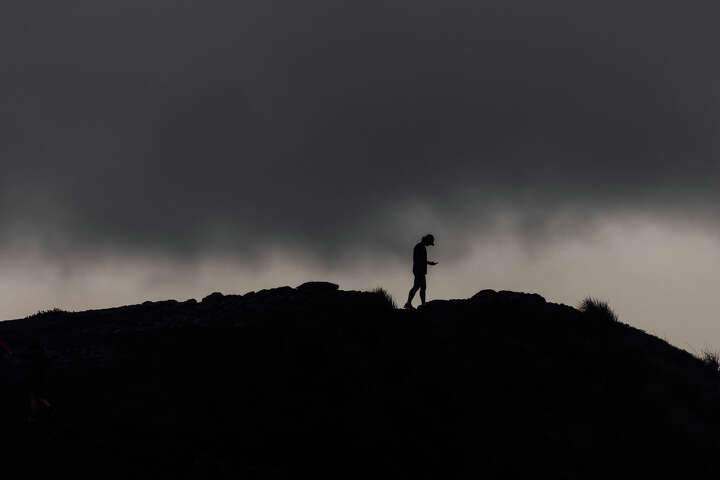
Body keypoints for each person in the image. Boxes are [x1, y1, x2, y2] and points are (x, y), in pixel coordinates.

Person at [404, 234, 438, 309]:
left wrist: (428, 263)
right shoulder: (420, 247)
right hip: (419, 270)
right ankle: (420, 304)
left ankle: (410, 303)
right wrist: (429, 263)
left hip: (418, 270)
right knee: (420, 287)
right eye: (430, 243)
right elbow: (420, 260)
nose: (429, 245)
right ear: (427, 240)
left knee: (417, 287)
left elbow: (420, 259)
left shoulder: (419, 246)